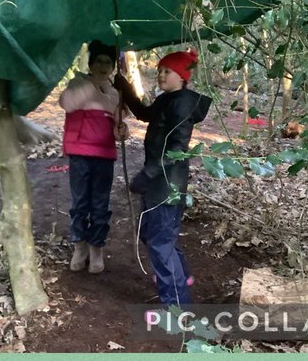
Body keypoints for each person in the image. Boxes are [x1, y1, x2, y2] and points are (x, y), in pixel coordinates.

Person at [114, 49, 211, 308]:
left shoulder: (182, 102)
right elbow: (146, 114)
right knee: (153, 234)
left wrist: (147, 175)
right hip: (160, 181)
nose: (161, 75)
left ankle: (176, 304)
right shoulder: (168, 99)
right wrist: (124, 88)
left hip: (167, 184)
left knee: (160, 241)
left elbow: (177, 149)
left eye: (167, 71)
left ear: (182, 76)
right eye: (159, 71)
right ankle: (181, 277)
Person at [57, 40, 125, 274]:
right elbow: (67, 104)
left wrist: (121, 130)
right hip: (80, 153)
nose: (104, 65)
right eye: (99, 61)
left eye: (108, 61)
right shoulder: (79, 83)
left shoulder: (116, 92)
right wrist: (93, 87)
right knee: (80, 202)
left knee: (100, 204)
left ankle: (96, 247)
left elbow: (118, 127)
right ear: (91, 63)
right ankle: (79, 246)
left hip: (105, 153)